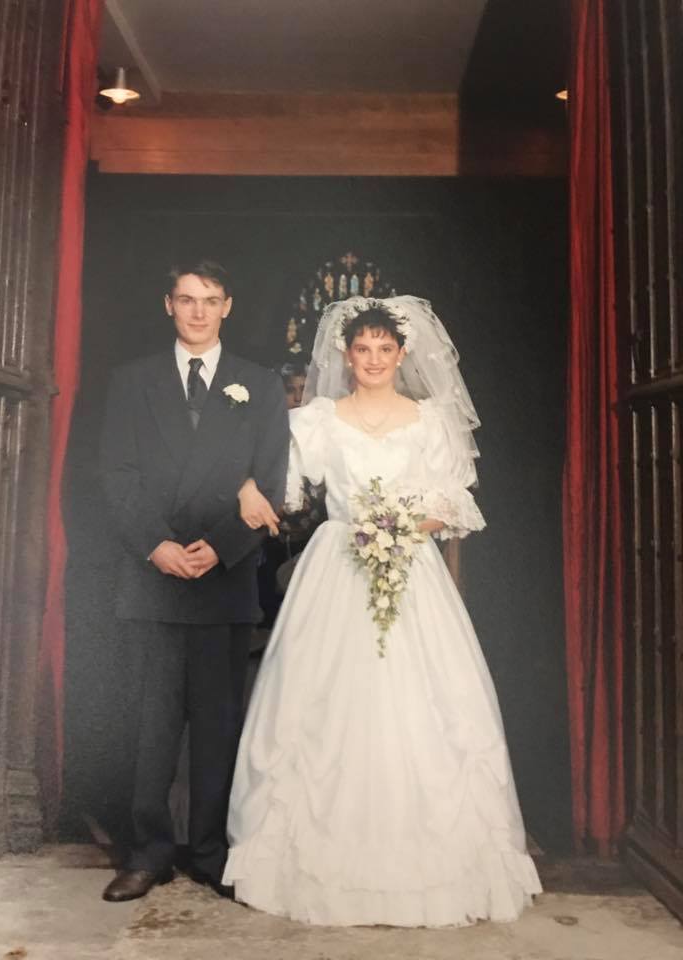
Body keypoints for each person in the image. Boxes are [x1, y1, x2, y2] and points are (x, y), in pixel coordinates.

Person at [222, 296, 542, 927]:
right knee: (323, 701)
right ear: (346, 355)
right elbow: (277, 478)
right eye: (361, 350)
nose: (372, 360)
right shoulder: (318, 418)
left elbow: (451, 504)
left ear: (402, 355)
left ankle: (428, 867)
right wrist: (245, 484)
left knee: (420, 704)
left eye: (384, 350)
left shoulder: (429, 422)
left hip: (409, 566)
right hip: (337, 564)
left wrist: (398, 526)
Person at [98, 259, 289, 903]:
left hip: (223, 577)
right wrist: (157, 547)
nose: (198, 311)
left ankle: (210, 853)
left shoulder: (259, 386)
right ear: (168, 306)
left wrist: (225, 547)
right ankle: (148, 851)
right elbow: (116, 476)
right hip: (154, 576)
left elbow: (269, 482)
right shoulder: (131, 382)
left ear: (228, 306)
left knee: (218, 723)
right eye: (186, 300)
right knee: (150, 724)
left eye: (210, 300)